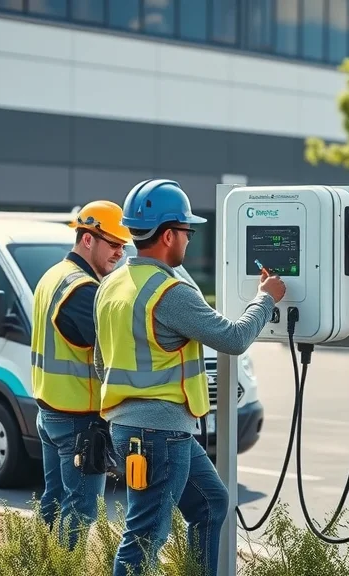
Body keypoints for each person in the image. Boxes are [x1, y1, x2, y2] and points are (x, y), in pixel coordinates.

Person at [93, 178, 286, 576]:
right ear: (167, 235)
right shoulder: (171, 290)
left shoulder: (110, 285)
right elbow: (233, 338)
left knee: (213, 503)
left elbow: (101, 361)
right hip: (159, 434)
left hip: (137, 428)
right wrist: (266, 297)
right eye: (187, 231)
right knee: (145, 537)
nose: (188, 239)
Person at [30, 200, 130, 547]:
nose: (120, 252)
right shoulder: (83, 289)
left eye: (124, 245)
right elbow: (113, 348)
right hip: (78, 420)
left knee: (54, 503)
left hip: (51, 411)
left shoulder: (52, 276)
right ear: (88, 238)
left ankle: (37, 567)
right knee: (81, 510)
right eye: (114, 244)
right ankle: (60, 570)